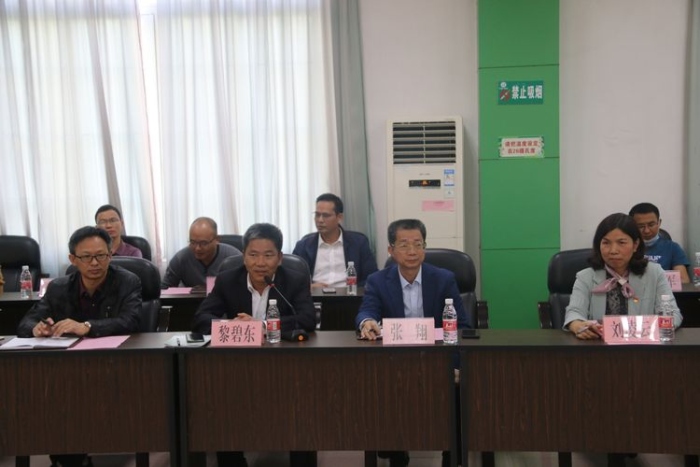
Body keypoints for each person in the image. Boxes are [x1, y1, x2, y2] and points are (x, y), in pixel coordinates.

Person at [192, 222, 316, 467]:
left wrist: (262, 326)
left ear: (280, 258)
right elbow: (201, 319)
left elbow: (307, 318)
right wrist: (233, 326)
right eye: (253, 255)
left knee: (300, 404)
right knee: (221, 401)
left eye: (268, 255)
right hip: (235, 367)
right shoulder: (227, 280)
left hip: (285, 366)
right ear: (243, 256)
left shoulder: (295, 279)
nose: (260, 263)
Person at [17, 226, 142, 467]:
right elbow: (26, 322)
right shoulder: (59, 287)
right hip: (67, 371)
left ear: (110, 255)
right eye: (86, 257)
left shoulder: (128, 281)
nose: (94, 263)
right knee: (52, 398)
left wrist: (87, 327)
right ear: (73, 259)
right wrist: (36, 329)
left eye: (101, 255)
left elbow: (132, 320)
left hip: (115, 365)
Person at [355, 218, 469, 467]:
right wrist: (367, 322)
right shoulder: (377, 281)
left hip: (437, 357)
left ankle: (452, 456)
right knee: (379, 388)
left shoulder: (443, 279)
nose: (412, 251)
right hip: (395, 360)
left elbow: (462, 325)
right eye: (404, 245)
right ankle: (396, 451)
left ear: (424, 248)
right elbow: (367, 310)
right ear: (391, 250)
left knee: (459, 390)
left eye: (418, 244)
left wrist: (456, 364)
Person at [564, 212, 682, 339]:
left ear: (635, 245)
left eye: (621, 242)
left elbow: (673, 314)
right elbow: (574, 313)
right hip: (599, 345)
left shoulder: (655, 273)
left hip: (643, 345)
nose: (613, 250)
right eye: (606, 243)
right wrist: (578, 325)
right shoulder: (585, 277)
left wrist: (649, 330)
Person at [293, 193, 378, 287]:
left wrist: (352, 289)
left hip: (349, 294)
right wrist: (309, 287)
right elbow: (293, 280)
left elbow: (371, 277)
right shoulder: (303, 246)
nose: (320, 220)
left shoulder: (359, 243)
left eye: (326, 215)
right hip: (315, 294)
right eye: (317, 215)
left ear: (339, 217)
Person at [161, 217, 242, 288]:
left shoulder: (234, 258)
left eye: (203, 243)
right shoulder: (180, 259)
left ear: (217, 240)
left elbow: (244, 289)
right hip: (192, 300)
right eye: (193, 242)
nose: (197, 248)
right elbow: (165, 289)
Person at [628, 202, 690, 283]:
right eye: (641, 226)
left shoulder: (673, 248)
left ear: (659, 222)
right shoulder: (626, 248)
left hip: (664, 290)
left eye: (651, 225)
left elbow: (684, 280)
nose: (646, 230)